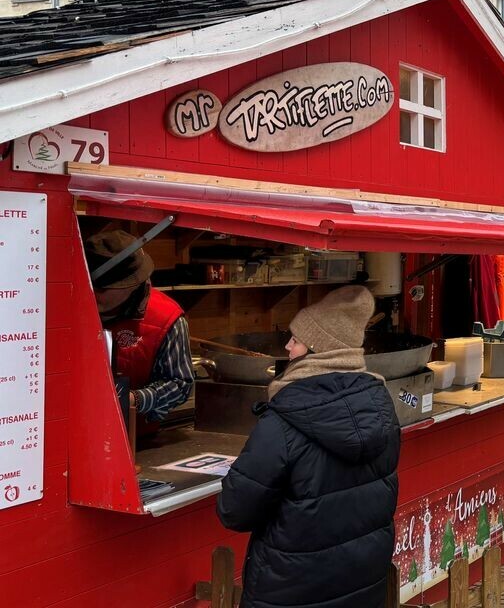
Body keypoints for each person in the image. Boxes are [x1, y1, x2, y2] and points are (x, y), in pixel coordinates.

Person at [218, 286, 401, 608]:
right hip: (361, 581)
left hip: (290, 589)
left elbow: (235, 511)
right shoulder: (382, 407)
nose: (287, 346)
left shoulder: (283, 420)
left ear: (319, 350)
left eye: (296, 339)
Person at [85, 230, 194, 430]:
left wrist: (134, 399)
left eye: (102, 288)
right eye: (90, 284)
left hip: (136, 440)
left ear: (131, 285)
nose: (92, 292)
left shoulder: (167, 318)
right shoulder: (68, 306)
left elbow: (179, 384)